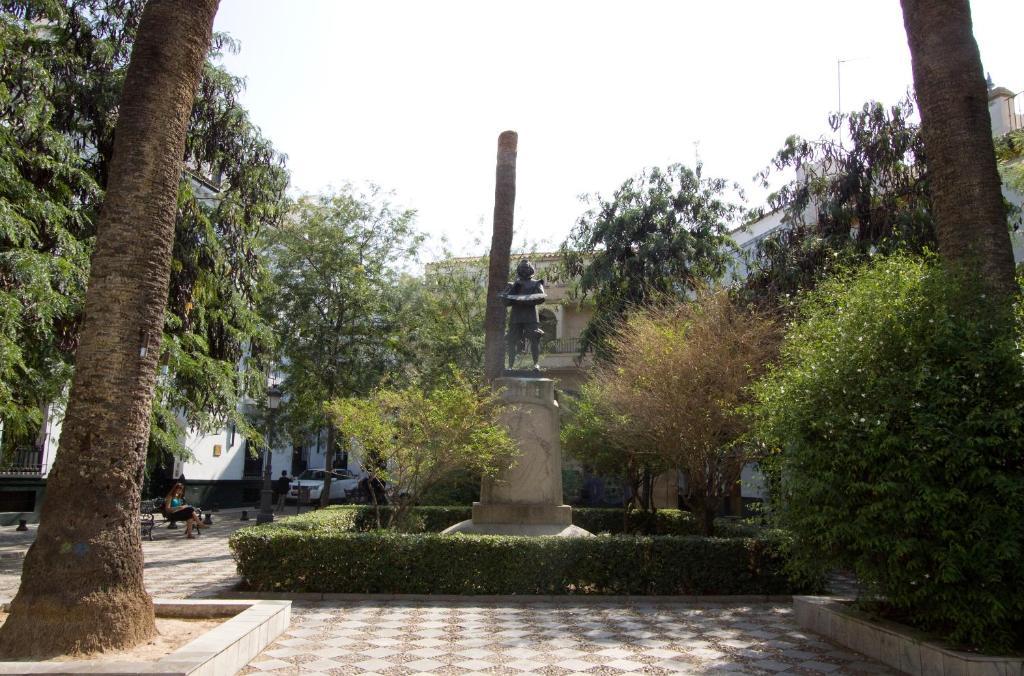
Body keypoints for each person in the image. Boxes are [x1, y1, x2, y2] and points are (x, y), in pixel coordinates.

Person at [500, 259, 547, 370]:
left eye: (526, 268)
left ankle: (536, 364)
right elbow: (505, 301)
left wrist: (526, 301)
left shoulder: (536, 283)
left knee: (535, 338)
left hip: (531, 316)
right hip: (516, 317)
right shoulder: (512, 285)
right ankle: (510, 366)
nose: (524, 270)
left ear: (530, 269)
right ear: (518, 270)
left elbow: (541, 298)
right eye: (522, 268)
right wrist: (514, 288)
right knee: (511, 340)